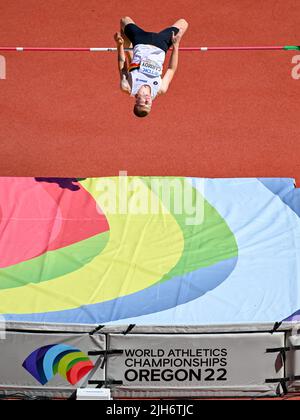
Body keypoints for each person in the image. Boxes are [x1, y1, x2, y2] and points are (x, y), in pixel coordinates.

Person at [114, 17, 189, 117]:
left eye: (143, 103)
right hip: (161, 44)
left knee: (124, 20)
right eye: (148, 104)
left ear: (136, 101)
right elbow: (171, 69)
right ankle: (130, 53)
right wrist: (176, 45)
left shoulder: (127, 87)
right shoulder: (160, 88)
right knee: (184, 23)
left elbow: (122, 65)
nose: (147, 100)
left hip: (140, 41)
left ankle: (129, 50)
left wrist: (119, 45)